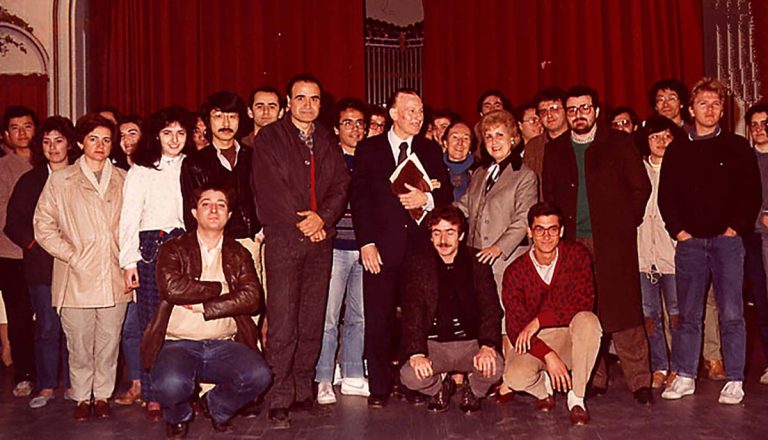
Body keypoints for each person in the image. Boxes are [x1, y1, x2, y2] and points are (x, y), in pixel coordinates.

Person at [542, 85, 653, 404]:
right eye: (572, 109)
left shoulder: (618, 143)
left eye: (584, 108)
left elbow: (640, 189)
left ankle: (640, 381)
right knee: (583, 310)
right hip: (573, 243)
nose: (579, 114)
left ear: (596, 111)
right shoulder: (556, 149)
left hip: (613, 242)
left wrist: (621, 223)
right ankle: (595, 377)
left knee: (624, 312)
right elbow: (548, 198)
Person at [251, 73, 350, 428]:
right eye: (301, 98)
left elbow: (340, 184)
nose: (308, 105)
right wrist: (305, 222)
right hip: (284, 240)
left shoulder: (326, 139)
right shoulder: (270, 139)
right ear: (289, 102)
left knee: (312, 318)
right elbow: (269, 188)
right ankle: (279, 395)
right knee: (282, 322)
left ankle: (302, 389)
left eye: (315, 99)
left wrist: (322, 219)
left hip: (320, 239)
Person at [659, 78, 761, 404]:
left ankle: (734, 379)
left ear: (723, 109)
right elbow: (667, 198)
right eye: (703, 103)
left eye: (716, 104)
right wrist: (680, 232)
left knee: (732, 312)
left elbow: (751, 195)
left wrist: (734, 229)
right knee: (688, 314)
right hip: (690, 244)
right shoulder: (677, 149)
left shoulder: (737, 146)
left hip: (727, 243)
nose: (710, 109)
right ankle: (685, 375)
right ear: (691, 109)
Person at [142, 183, 272, 438]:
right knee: (170, 385)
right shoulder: (173, 248)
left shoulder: (238, 252)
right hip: (177, 343)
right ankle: (177, 416)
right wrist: (221, 287)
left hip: (223, 343)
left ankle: (217, 407)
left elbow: (252, 298)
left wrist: (203, 305)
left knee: (259, 376)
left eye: (221, 205)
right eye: (206, 204)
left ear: (229, 214)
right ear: (193, 212)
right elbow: (172, 288)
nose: (214, 210)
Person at [350, 87, 452, 407]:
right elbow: (360, 199)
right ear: (393, 113)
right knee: (378, 318)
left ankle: (413, 384)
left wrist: (428, 199)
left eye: (421, 112)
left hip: (420, 251)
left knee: (416, 319)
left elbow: (446, 194)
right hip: (380, 248)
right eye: (410, 111)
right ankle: (379, 387)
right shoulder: (369, 149)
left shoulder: (430, 149)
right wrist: (365, 242)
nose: (418, 118)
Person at [34, 113, 129, 420]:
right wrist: (71, 255)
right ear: (80, 143)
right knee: (78, 342)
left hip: (113, 274)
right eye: (93, 139)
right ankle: (80, 397)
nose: (100, 146)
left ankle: (101, 396)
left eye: (106, 140)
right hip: (75, 276)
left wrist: (125, 259)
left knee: (108, 342)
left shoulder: (124, 179)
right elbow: (43, 225)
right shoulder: (61, 180)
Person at [118, 107, 195, 420]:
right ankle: (153, 393)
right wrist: (129, 262)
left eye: (180, 133)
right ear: (156, 136)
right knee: (153, 324)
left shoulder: (193, 166)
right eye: (167, 133)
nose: (174, 139)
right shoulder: (142, 170)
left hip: (186, 246)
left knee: (186, 322)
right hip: (151, 247)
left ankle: (184, 392)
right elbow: (128, 219)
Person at [502, 202, 601, 425]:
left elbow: (584, 302)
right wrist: (548, 355)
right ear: (529, 232)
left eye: (552, 229)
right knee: (514, 377)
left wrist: (539, 320)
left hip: (570, 336)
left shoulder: (576, 255)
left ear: (561, 231)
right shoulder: (515, 272)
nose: (546, 236)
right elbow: (516, 327)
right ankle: (543, 388)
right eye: (539, 229)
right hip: (536, 342)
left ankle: (576, 397)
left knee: (589, 321)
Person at [5, 116, 80, 408]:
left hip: (76, 266)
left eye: (59, 140)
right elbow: (13, 224)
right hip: (42, 267)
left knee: (75, 329)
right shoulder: (31, 180)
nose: (53, 147)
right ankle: (47, 385)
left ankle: (77, 383)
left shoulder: (80, 175)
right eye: (47, 142)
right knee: (47, 327)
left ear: (70, 144)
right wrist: (37, 245)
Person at [399, 205, 503, 414]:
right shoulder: (419, 265)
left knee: (495, 368)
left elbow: (490, 308)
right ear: (430, 237)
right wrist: (417, 353)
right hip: (434, 345)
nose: (443, 240)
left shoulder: (478, 263)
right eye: (437, 233)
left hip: (470, 344)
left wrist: (488, 346)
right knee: (409, 376)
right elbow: (412, 313)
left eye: (450, 232)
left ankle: (472, 390)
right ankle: (441, 387)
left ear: (461, 235)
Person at [315, 98, 370, 405]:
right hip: (335, 247)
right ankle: (324, 377)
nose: (355, 129)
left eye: (360, 123)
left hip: (364, 248)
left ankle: (352, 373)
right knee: (328, 317)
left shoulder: (372, 160)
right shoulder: (328, 160)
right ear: (336, 128)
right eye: (347, 123)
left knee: (359, 316)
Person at [456, 109, 537, 301]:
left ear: (513, 138)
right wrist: (431, 209)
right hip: (478, 261)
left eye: (500, 135)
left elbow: (524, 217)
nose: (494, 142)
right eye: (489, 136)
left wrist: (498, 247)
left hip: (506, 260)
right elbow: (463, 207)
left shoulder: (525, 175)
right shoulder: (479, 174)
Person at [636, 115, 679, 389]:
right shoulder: (637, 170)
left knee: (676, 313)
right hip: (643, 256)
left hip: (673, 256)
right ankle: (659, 366)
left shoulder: (681, 170)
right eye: (654, 137)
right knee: (649, 315)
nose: (661, 142)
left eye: (666, 136)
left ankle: (680, 366)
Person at [0, 105, 37, 397]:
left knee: (50, 317)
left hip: (46, 253)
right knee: (20, 316)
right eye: (15, 128)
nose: (22, 133)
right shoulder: (2, 168)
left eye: (27, 126)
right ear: (6, 135)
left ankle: (52, 373)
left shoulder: (47, 161)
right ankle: (25, 373)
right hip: (11, 254)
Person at [745, 103, 768, 385]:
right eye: (755, 125)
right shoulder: (746, 160)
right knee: (762, 304)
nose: (761, 129)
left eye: (766, 123)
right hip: (754, 240)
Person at [442, 121, 477, 202]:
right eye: (455, 137)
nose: (460, 143)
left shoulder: (479, 171)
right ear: (445, 143)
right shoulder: (433, 167)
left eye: (465, 138)